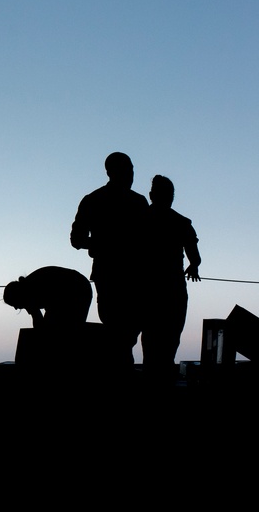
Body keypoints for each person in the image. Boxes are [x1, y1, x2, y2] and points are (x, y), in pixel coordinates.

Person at [70, 152, 148, 362]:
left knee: (124, 329)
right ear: (112, 172)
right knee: (118, 328)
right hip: (115, 274)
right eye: (128, 170)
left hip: (128, 275)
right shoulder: (96, 200)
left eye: (132, 170)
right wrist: (104, 244)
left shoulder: (136, 202)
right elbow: (77, 239)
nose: (131, 175)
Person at [141, 175, 201, 382]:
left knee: (150, 336)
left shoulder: (140, 220)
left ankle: (152, 374)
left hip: (146, 288)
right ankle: (162, 374)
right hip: (172, 288)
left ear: (151, 195)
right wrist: (194, 266)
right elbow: (194, 254)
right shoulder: (181, 222)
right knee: (170, 335)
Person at [2, 266, 93, 331]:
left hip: (76, 289)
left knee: (66, 329)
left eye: (14, 304)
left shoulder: (29, 293)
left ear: (17, 297)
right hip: (78, 287)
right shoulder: (28, 288)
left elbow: (39, 327)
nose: (16, 308)